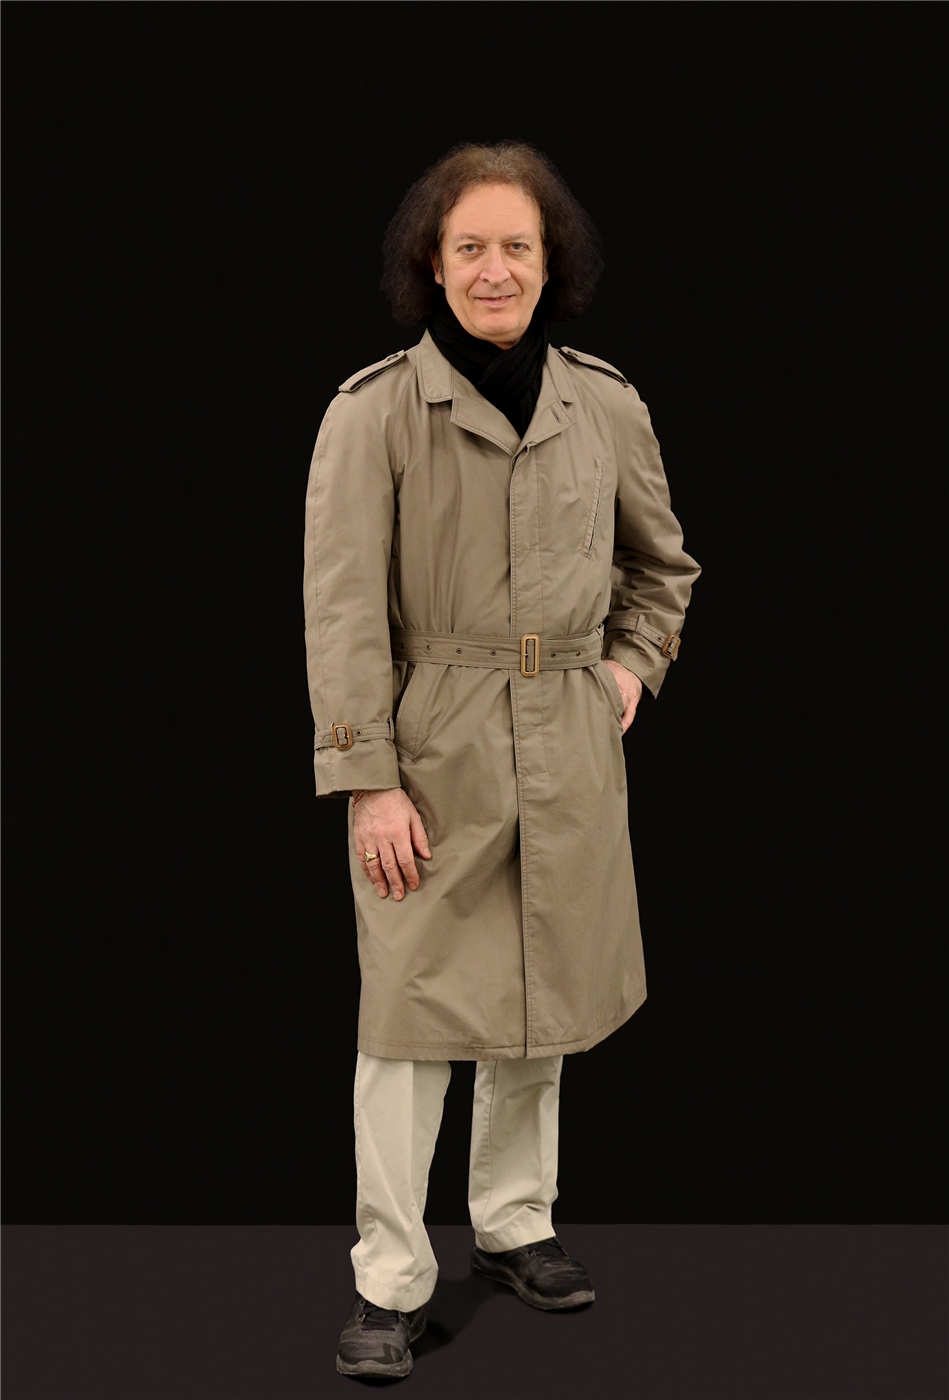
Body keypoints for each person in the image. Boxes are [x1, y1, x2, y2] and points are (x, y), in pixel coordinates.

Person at [302, 141, 701, 1381]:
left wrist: (628, 667)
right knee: (408, 1020)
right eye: (468, 245)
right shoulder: (375, 411)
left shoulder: (605, 404)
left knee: (541, 997)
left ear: (548, 261)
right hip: (432, 743)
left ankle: (516, 1222)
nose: (493, 268)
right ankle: (388, 1279)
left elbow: (661, 566)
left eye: (516, 246)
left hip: (568, 739)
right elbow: (340, 609)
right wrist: (367, 778)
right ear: (431, 262)